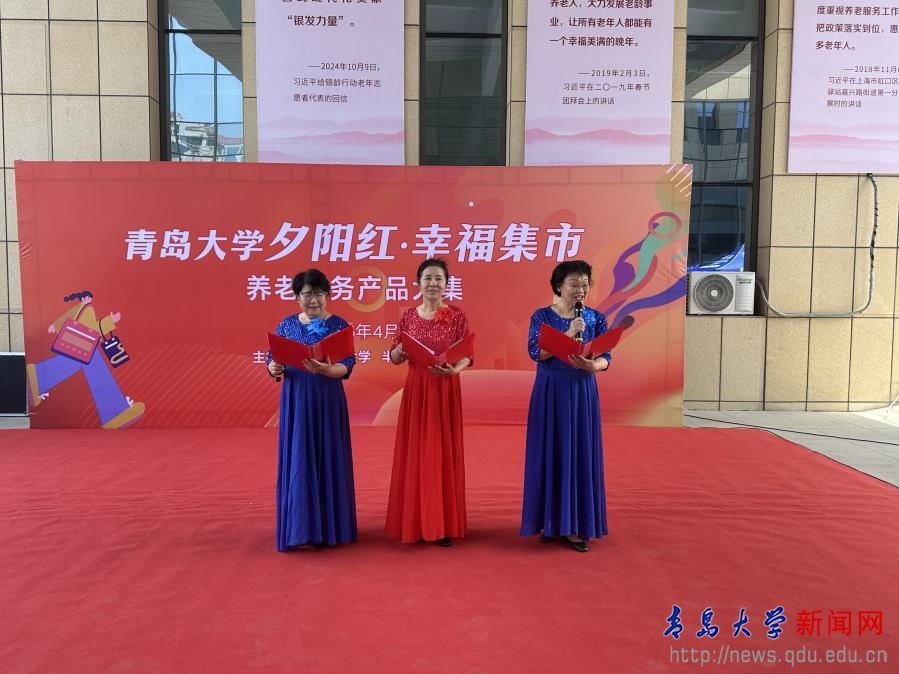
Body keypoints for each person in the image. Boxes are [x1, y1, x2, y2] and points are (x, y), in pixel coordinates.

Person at [520, 260, 611, 553]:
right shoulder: (542, 316)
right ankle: (550, 522)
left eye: (585, 284)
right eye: (574, 284)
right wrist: (569, 334)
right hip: (550, 390)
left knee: (578, 453)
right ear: (559, 286)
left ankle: (575, 526)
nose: (580, 290)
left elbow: (607, 356)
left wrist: (595, 365)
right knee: (549, 453)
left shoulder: (596, 318)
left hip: (582, 391)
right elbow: (536, 352)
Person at [267, 269, 357, 551]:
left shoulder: (339, 325)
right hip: (296, 400)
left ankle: (330, 528)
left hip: (327, 398)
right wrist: (273, 367)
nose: (313, 300)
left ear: (327, 295)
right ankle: (300, 528)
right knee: (299, 458)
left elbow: (348, 364)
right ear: (297, 297)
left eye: (318, 293)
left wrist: (327, 369)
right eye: (307, 294)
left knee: (329, 456)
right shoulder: (287, 325)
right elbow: (273, 359)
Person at [385, 258, 472, 547]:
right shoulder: (408, 316)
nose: (433, 284)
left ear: (446, 284)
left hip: (445, 386)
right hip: (418, 386)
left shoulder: (457, 315)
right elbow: (394, 357)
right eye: (428, 278)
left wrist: (455, 369)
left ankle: (441, 523)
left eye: (438, 279)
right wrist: (400, 350)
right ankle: (415, 521)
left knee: (441, 450)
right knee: (417, 450)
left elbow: (468, 354)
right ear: (418, 283)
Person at [26, 290, 145, 429]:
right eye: (88, 297)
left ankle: (37, 378)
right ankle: (115, 411)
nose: (90, 300)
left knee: (79, 363)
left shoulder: (79, 308)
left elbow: (67, 317)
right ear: (83, 298)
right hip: (83, 343)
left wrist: (55, 326)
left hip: (76, 342)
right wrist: (110, 321)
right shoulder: (88, 310)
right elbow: (92, 329)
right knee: (92, 361)